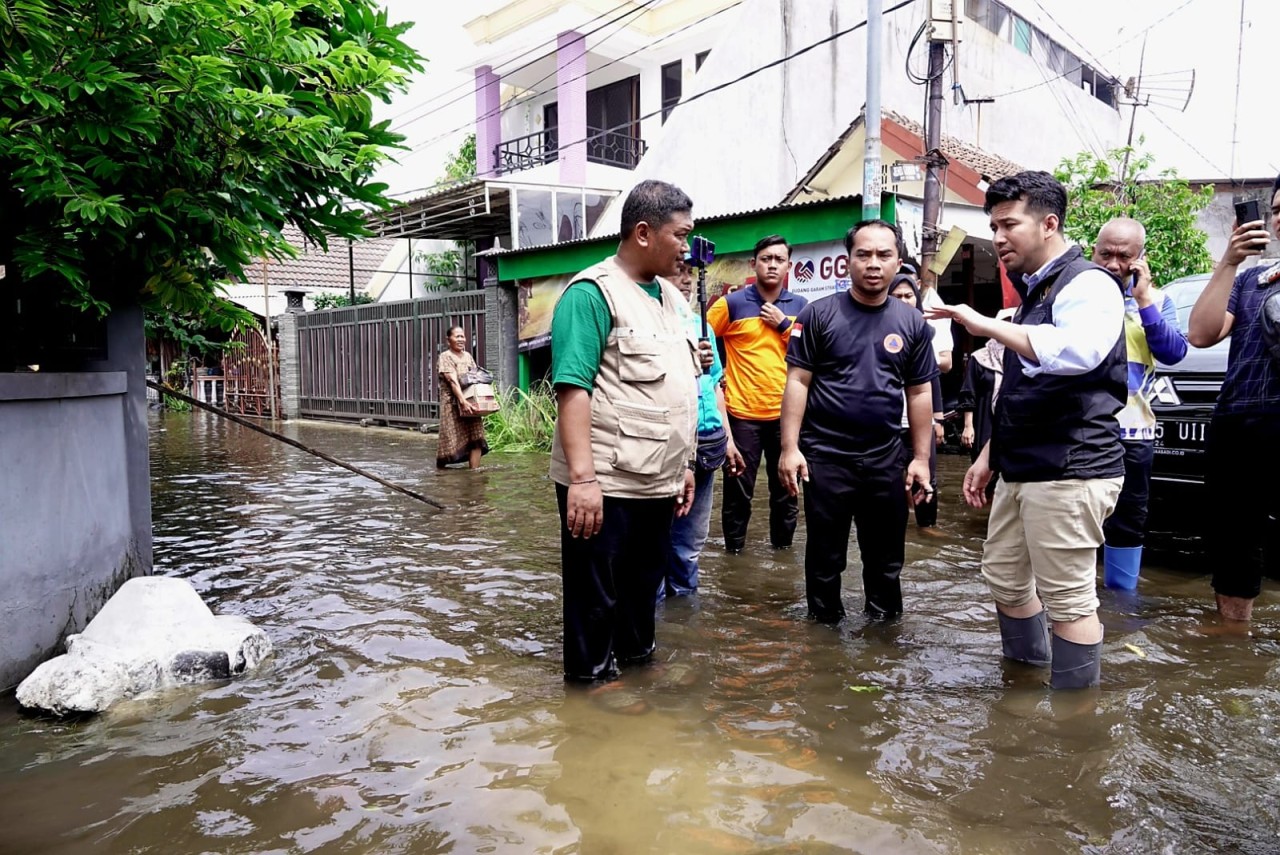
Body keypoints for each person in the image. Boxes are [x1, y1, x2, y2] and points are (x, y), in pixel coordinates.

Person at [925, 171, 1126, 690]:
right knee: (1007, 580)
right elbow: (1019, 391)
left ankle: (1072, 726)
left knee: (1068, 599)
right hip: (1022, 467)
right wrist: (989, 454)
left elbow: (1078, 353)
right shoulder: (1037, 294)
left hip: (1071, 468)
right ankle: (1021, 692)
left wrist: (985, 323)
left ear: (1049, 223)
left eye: (1008, 224)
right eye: (993, 225)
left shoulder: (1088, 282)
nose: (997, 237)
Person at [549, 179, 701, 683]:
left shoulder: (668, 301)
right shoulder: (591, 293)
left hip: (658, 480)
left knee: (642, 590)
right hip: (607, 483)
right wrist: (583, 480)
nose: (686, 247)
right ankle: (590, 695)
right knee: (596, 598)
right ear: (643, 232)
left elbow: (674, 392)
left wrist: (685, 469)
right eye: (680, 235)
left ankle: (636, 679)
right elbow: (573, 390)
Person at [778, 219, 937, 623]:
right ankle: (824, 643)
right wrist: (789, 449)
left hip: (886, 459)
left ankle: (883, 642)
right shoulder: (817, 316)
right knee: (824, 560)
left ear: (898, 262)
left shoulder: (912, 323)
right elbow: (797, 380)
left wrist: (920, 459)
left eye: (884, 255)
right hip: (825, 459)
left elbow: (919, 392)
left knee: (886, 563)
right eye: (863, 254)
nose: (873, 263)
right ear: (847, 261)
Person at [1187, 180, 1280, 625]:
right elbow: (1201, 334)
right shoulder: (1249, 280)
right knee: (1234, 541)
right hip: (1238, 420)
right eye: (1277, 209)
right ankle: (1232, 646)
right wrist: (1229, 260)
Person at [1090, 217, 1188, 589]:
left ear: (1140, 259)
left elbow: (1174, 352)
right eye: (1106, 254)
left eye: (1124, 256)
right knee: (1075, 514)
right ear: (1093, 254)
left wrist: (1143, 299)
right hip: (1082, 428)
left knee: (1128, 518)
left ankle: (1120, 600)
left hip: (1133, 430)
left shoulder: (1159, 301)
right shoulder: (1074, 296)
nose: (1114, 264)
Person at [707, 235, 808, 553]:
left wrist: (783, 326)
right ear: (754, 264)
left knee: (788, 490)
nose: (773, 264)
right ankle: (734, 555)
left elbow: (811, 355)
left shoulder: (801, 308)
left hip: (786, 417)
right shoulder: (732, 304)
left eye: (780, 259)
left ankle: (783, 553)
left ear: (789, 266)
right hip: (741, 416)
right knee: (738, 493)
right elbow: (702, 339)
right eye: (767, 258)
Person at [661, 260, 738, 599]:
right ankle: (654, 616)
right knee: (657, 536)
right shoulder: (655, 326)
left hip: (709, 442)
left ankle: (683, 614)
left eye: (689, 274)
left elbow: (715, 386)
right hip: (669, 445)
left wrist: (730, 440)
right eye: (677, 273)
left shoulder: (700, 325)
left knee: (690, 541)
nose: (686, 281)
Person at [889, 272, 946, 529]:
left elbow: (930, 381)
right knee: (891, 479)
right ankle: (898, 524)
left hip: (920, 421)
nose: (904, 300)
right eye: (897, 296)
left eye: (909, 295)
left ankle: (927, 528)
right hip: (888, 422)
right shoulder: (878, 330)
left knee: (927, 477)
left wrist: (939, 418)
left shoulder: (924, 333)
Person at [436, 325, 489, 469]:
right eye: (457, 336)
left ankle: (474, 472)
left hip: (471, 403)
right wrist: (462, 401)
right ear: (449, 340)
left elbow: (475, 377)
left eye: (463, 336)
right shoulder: (445, 357)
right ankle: (442, 474)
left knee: (476, 437)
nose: (461, 339)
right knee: (451, 442)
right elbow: (452, 380)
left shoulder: (468, 356)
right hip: (452, 405)